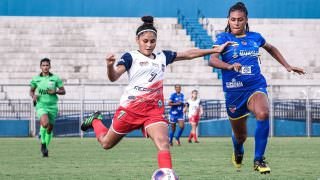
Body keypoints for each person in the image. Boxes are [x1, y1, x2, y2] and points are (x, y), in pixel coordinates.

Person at [80, 16, 230, 173]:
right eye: (145, 41)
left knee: (163, 143)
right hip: (130, 110)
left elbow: (187, 54)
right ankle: (96, 121)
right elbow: (113, 77)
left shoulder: (162, 57)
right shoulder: (130, 57)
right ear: (137, 40)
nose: (149, 44)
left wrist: (215, 50)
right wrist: (110, 66)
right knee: (106, 144)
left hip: (153, 112)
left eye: (152, 41)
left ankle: (167, 176)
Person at [209, 2, 305, 174]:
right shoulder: (223, 39)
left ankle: (258, 159)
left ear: (246, 20)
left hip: (255, 86)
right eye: (233, 19)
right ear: (228, 20)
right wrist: (229, 66)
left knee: (263, 113)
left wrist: (287, 66)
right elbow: (212, 60)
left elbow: (271, 48)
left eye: (240, 19)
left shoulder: (255, 37)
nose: (236, 23)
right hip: (234, 91)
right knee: (241, 137)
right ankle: (238, 152)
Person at [30, 58, 66, 157]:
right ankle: (43, 143)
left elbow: (63, 91)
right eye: (43, 65)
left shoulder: (55, 78)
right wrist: (33, 96)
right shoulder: (36, 79)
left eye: (47, 65)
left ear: (50, 66)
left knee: (50, 129)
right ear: (40, 67)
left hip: (53, 106)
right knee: (45, 124)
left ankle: (45, 148)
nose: (45, 67)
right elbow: (31, 90)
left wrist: (55, 92)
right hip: (41, 105)